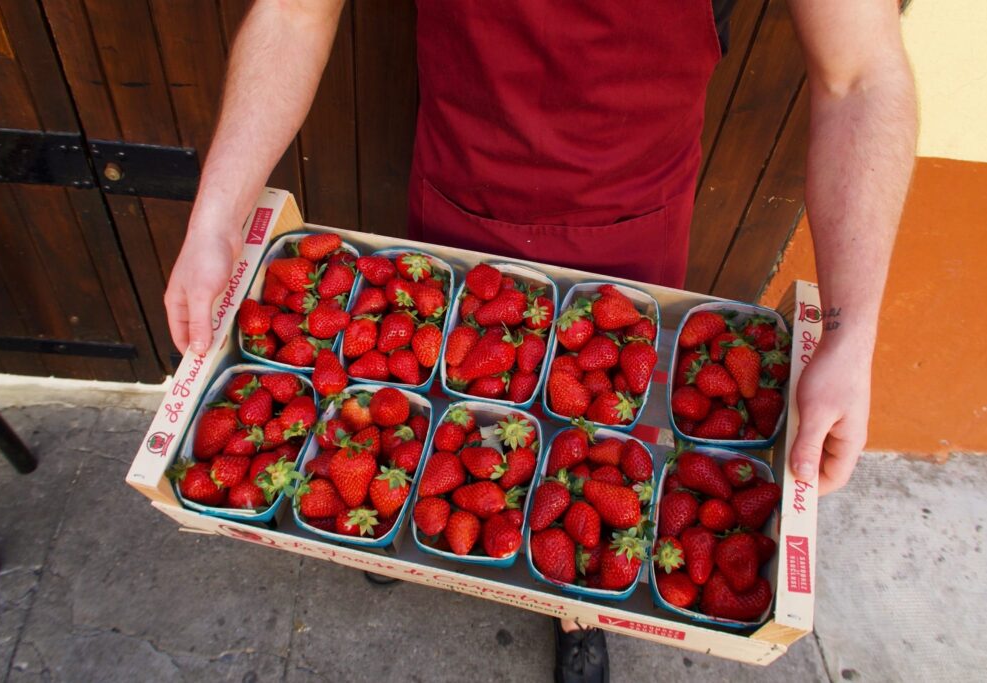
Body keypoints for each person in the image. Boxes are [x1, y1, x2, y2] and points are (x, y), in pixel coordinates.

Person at [164, 2, 917, 681]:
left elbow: (860, 77)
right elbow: (294, 14)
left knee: (595, 448)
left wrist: (852, 331)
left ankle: (577, 601)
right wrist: (217, 220)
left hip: (629, 222)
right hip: (462, 205)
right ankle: (412, 513)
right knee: (436, 401)